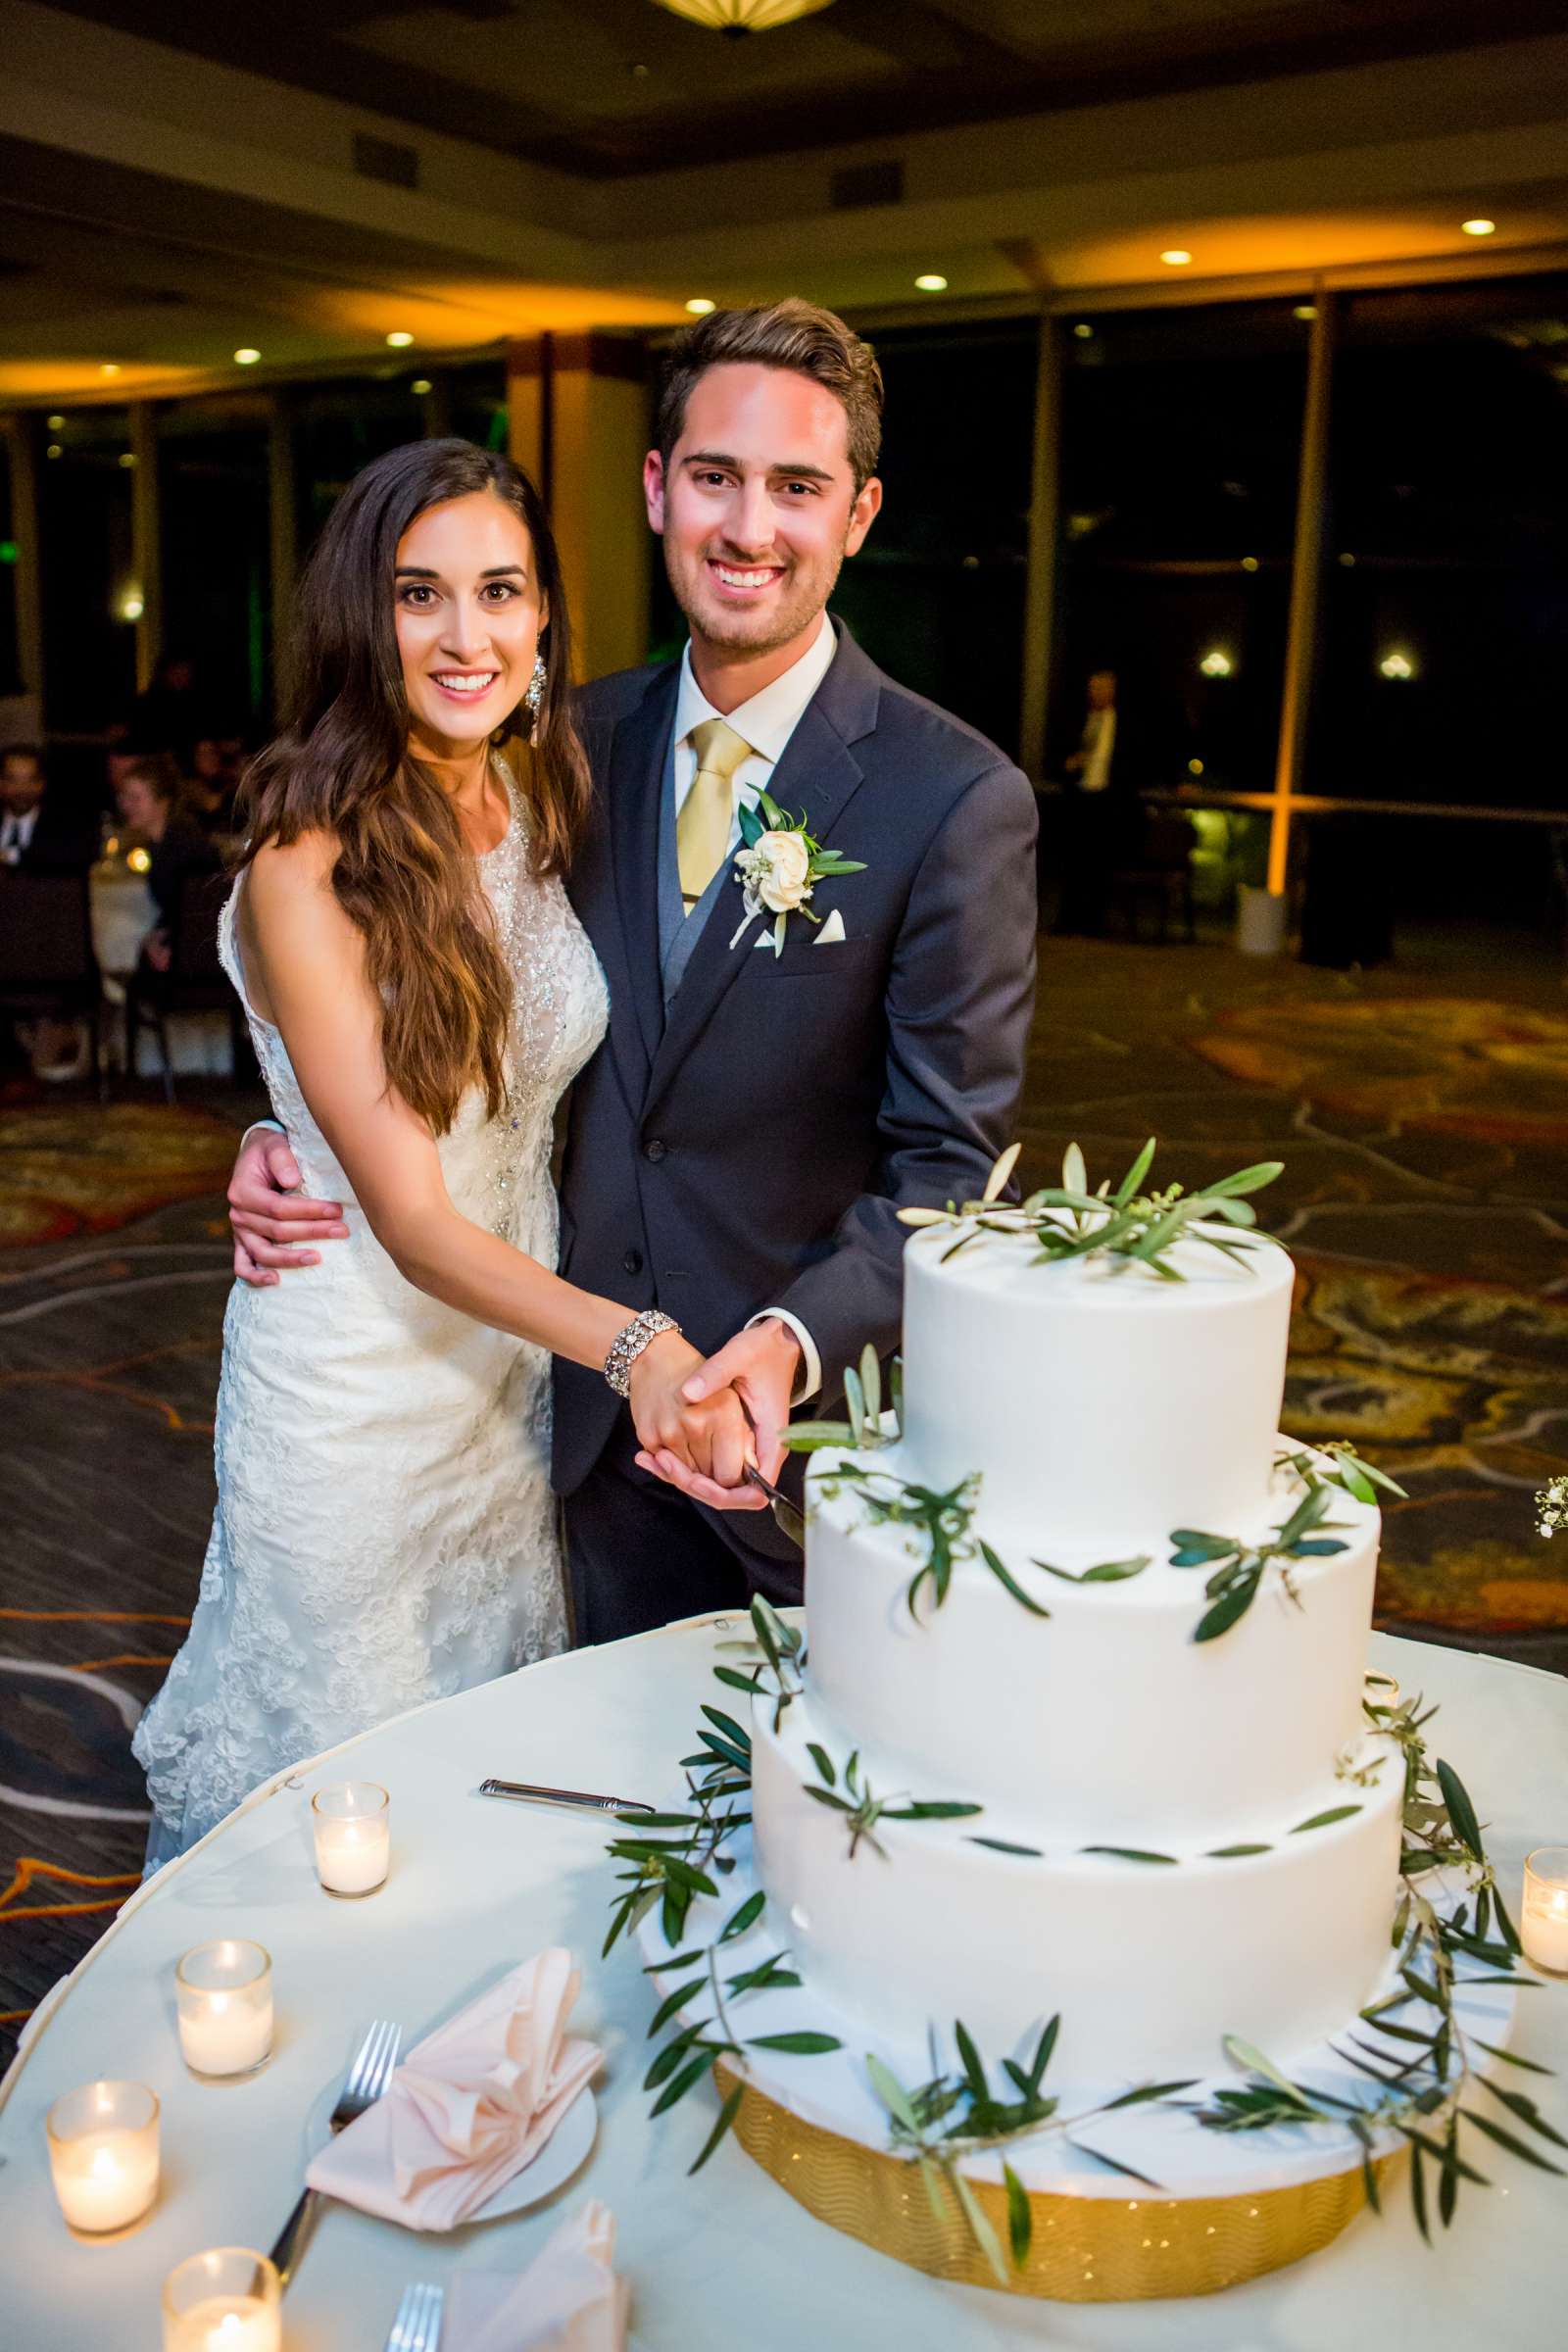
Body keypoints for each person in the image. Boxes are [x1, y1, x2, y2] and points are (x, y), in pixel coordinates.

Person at [225, 300, 1039, 1645]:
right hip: (549, 1423)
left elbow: (949, 1175)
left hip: (783, 1440)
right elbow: (410, 975)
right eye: (715, 476)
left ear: (860, 512)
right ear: (659, 490)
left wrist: (780, 1346)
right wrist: (288, 1131)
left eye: (797, 487)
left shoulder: (952, 799)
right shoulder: (561, 750)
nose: (748, 526)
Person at [132, 438, 751, 1867]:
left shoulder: (537, 797)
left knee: (474, 1774)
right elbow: (408, 1216)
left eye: (500, 592)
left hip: (500, 1384)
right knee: (337, 1803)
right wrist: (639, 1348)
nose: (465, 636)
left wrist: (275, 1118)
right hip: (356, 1400)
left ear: (544, 622)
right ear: (367, 618)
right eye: (421, 596)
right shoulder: (310, 858)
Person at [115, 754, 220, 976]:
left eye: (135, 799)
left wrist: (167, 941)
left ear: (162, 802)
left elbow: (198, 908)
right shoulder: (162, 843)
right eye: (124, 798)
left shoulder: (182, 846)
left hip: (199, 956)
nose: (126, 806)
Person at [1055, 667, 1123, 935]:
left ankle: (1095, 922)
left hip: (1106, 800)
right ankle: (1069, 920)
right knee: (1075, 861)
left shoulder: (1121, 723)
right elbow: (1060, 753)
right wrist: (1069, 764)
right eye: (1093, 688)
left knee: (1099, 864)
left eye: (1103, 688)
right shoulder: (1078, 719)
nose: (1097, 694)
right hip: (1080, 798)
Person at [0, 744, 95, 873]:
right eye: (12, 780)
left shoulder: (66, 825)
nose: (21, 789)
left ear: (42, 784)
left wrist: (10, 856)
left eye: (31, 780)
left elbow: (69, 860)